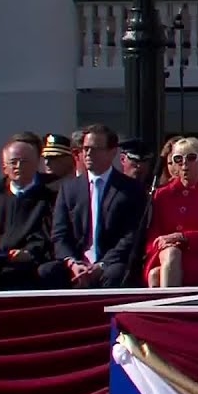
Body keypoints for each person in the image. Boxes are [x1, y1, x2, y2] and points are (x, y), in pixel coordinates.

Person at [43, 124, 147, 289]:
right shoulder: (69, 189)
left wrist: (101, 266)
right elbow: (59, 234)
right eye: (85, 149)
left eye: (95, 149)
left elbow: (131, 236)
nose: (88, 154)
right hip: (77, 263)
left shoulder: (130, 189)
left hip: (110, 264)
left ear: (112, 153)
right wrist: (73, 263)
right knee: (47, 272)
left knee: (117, 274)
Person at [143, 138, 198, 287]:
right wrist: (165, 243)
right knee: (171, 254)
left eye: (191, 158)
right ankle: (170, 310)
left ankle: (167, 310)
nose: (184, 164)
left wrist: (182, 237)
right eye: (178, 159)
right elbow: (154, 234)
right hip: (165, 253)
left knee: (155, 275)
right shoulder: (162, 195)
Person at [0, 139, 57, 290]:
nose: (19, 166)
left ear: (36, 165)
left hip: (31, 264)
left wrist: (29, 253)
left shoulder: (50, 200)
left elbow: (50, 236)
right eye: (13, 162)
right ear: (4, 167)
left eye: (24, 161)